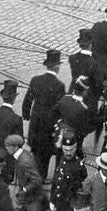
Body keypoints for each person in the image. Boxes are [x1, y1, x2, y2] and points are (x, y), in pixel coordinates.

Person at [22, 49, 65, 177]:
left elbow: (28, 100)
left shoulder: (36, 80)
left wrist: (26, 114)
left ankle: (33, 175)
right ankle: (41, 177)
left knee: (35, 151)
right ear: (56, 67)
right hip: (49, 126)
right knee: (45, 155)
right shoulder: (59, 85)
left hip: (36, 124)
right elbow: (60, 108)